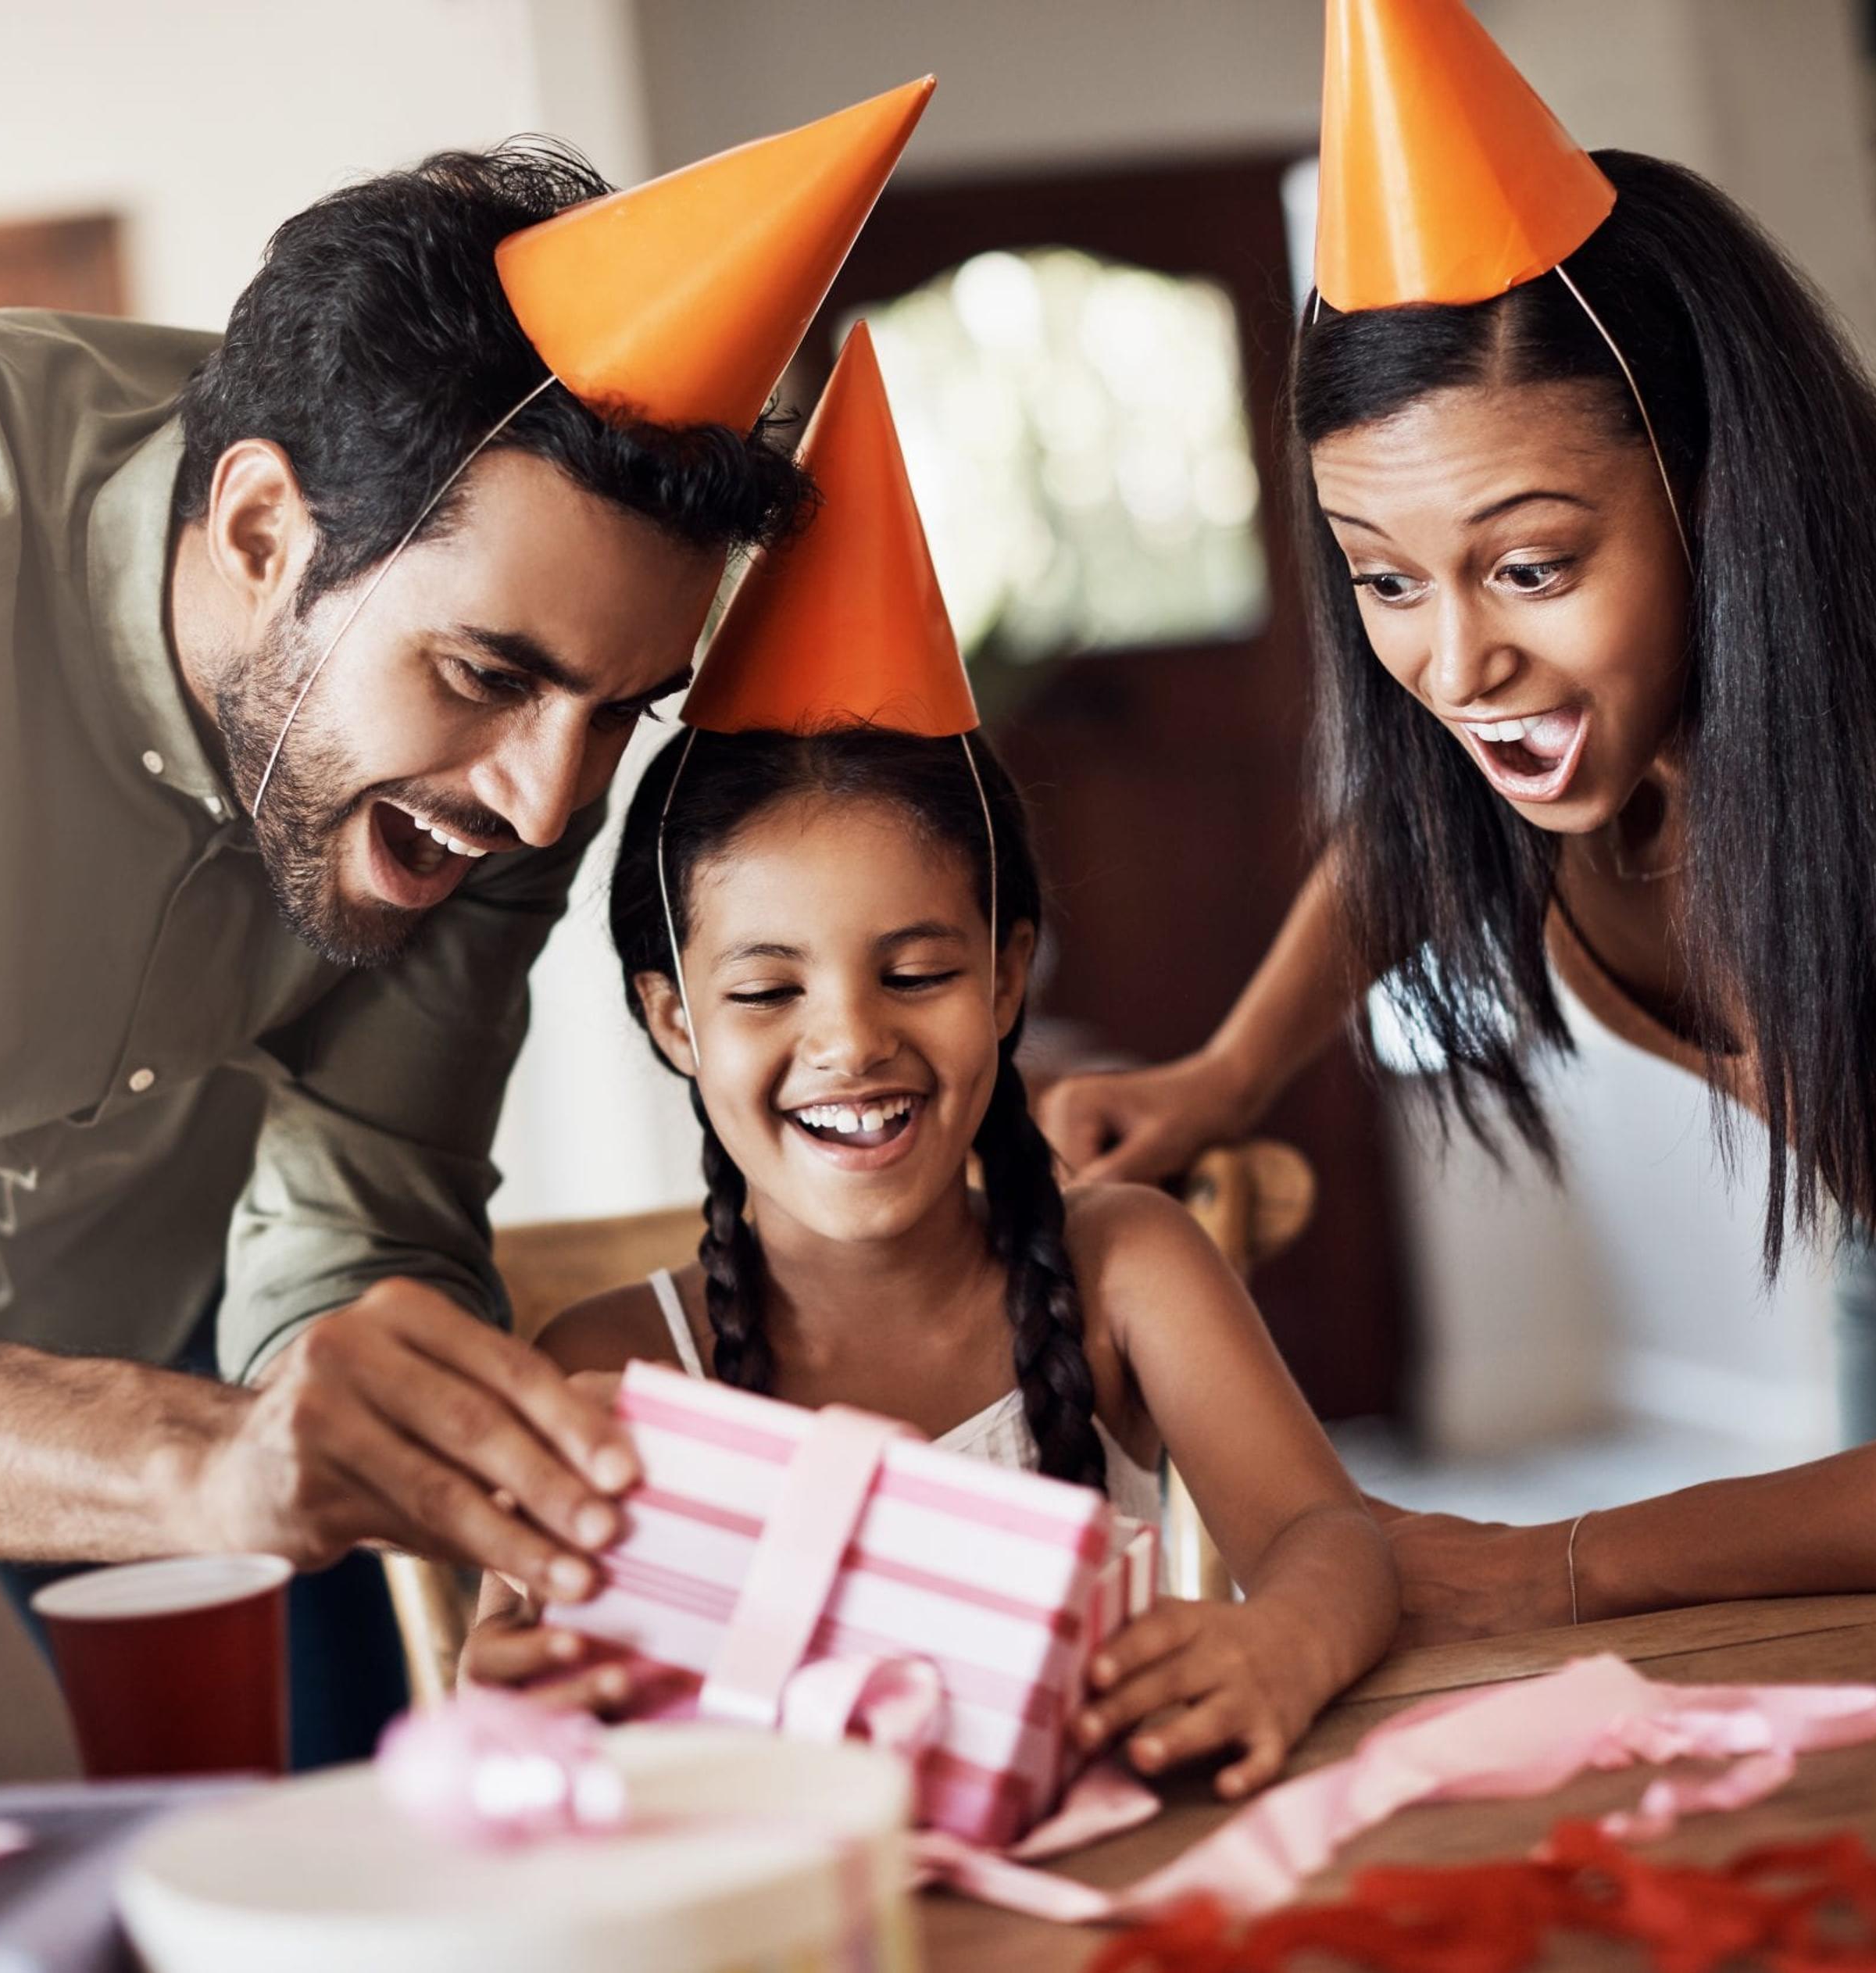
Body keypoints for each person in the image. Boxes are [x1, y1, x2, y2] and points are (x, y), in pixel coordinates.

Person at [0, 82, 934, 1757]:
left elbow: (373, 1178)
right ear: (264, 529)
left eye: (617, 712)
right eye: (487, 676)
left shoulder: (510, 748)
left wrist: (368, 1407)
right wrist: (205, 1460)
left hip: (179, 1307)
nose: (543, 808)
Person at [1039, 0, 1876, 1645]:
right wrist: (1226, 1073)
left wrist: (1567, 1558)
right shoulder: (1553, 731)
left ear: (1719, 491)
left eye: (1532, 565)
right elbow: (1406, 853)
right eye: (1386, 578)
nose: (1458, 664)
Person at [463, 330, 1396, 1796]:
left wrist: (1277, 1643)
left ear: (1010, 972)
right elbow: (529, 1712)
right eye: (767, 987)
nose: (851, 1039)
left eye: (918, 971)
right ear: (673, 1018)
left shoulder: (1128, 1269)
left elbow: (1328, 1540)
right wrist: (513, 1703)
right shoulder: (610, 1368)